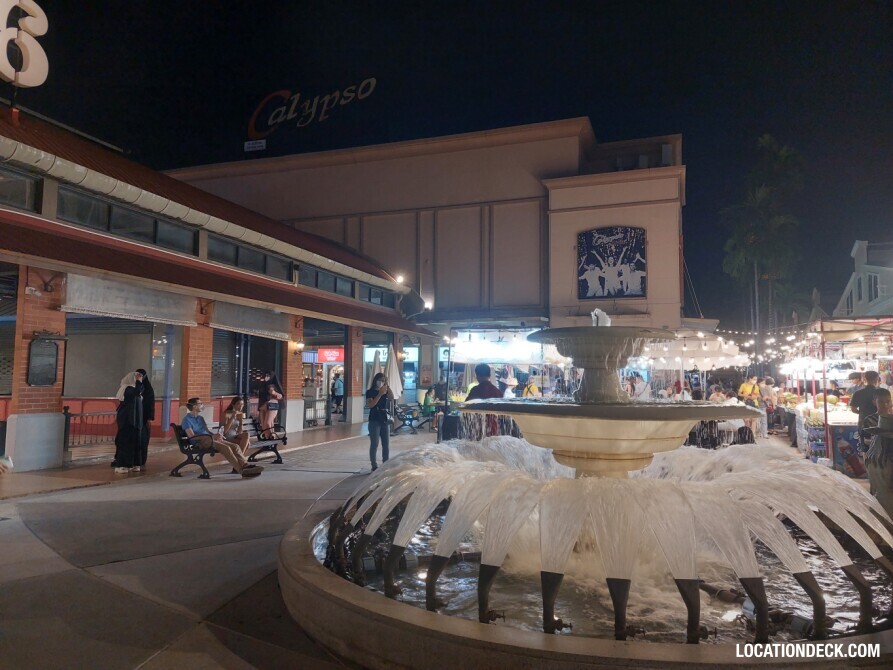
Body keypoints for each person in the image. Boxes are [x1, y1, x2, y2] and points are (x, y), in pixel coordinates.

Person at [182, 397, 262, 477]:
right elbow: (192, 436)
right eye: (200, 404)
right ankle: (241, 471)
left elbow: (207, 432)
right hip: (201, 442)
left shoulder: (200, 418)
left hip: (210, 439)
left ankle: (245, 465)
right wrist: (211, 436)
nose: (202, 405)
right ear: (195, 406)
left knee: (235, 447)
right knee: (226, 448)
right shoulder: (187, 420)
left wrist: (216, 436)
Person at [113, 372, 143, 474]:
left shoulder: (134, 389)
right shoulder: (127, 389)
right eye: (136, 378)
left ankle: (134, 463)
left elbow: (140, 391)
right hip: (127, 420)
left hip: (135, 420)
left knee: (136, 442)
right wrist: (138, 381)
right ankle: (122, 464)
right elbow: (137, 391)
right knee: (126, 442)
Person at [366, 372, 395, 471]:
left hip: (384, 419)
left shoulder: (385, 391)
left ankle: (385, 463)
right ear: (375, 381)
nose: (381, 382)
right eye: (379, 380)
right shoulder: (370, 392)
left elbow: (391, 397)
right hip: (374, 419)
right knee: (375, 443)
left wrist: (387, 386)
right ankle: (374, 465)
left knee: (386, 443)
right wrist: (379, 394)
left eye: (383, 381)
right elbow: (371, 405)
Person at [135, 368, 155, 471]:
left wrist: (149, 418)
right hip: (136, 417)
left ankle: (142, 460)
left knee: (143, 439)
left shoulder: (148, 389)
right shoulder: (135, 387)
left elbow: (150, 404)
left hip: (144, 417)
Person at [258, 371, 284, 438]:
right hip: (263, 406)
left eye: (268, 375)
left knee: (268, 422)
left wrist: (274, 393)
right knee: (264, 424)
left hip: (272, 406)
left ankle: (271, 437)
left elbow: (281, 396)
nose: (267, 377)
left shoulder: (275, 385)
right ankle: (267, 437)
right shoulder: (263, 384)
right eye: (266, 375)